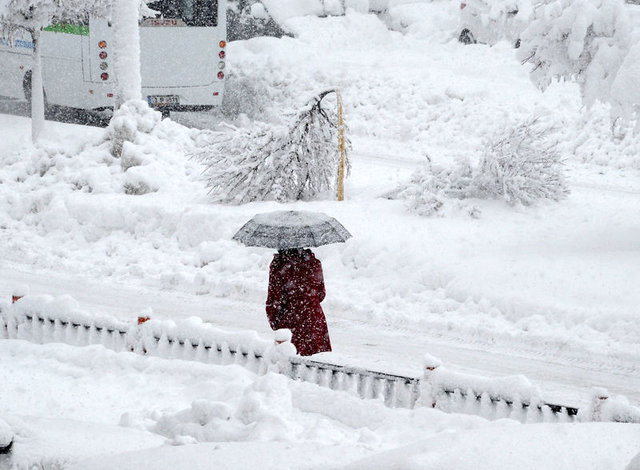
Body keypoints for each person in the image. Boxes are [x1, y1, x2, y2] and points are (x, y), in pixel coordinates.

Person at [265, 248, 331, 356]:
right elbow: (321, 294)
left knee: (290, 362)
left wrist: (275, 321)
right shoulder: (314, 263)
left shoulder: (279, 265)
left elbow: (274, 299)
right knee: (317, 364)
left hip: (291, 319)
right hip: (315, 319)